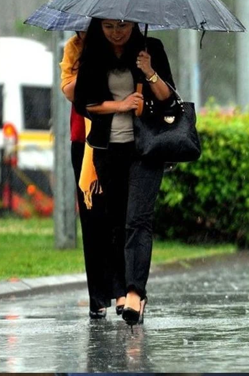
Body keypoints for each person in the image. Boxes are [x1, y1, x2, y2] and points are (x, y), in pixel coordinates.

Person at [74, 18, 175, 326]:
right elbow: (83, 103)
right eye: (108, 27)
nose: (116, 32)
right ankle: (120, 288)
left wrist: (148, 71)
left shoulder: (151, 49)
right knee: (116, 221)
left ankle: (135, 293)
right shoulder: (93, 54)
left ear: (134, 24)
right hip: (108, 151)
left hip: (145, 149)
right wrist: (119, 106)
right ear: (98, 28)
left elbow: (169, 99)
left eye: (122, 25)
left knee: (138, 220)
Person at [60, 31, 124, 319]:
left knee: (118, 216)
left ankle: (123, 292)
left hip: (120, 137)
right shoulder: (75, 49)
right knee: (91, 216)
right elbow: (70, 91)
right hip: (83, 140)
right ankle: (97, 297)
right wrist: (90, 68)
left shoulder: (120, 45)